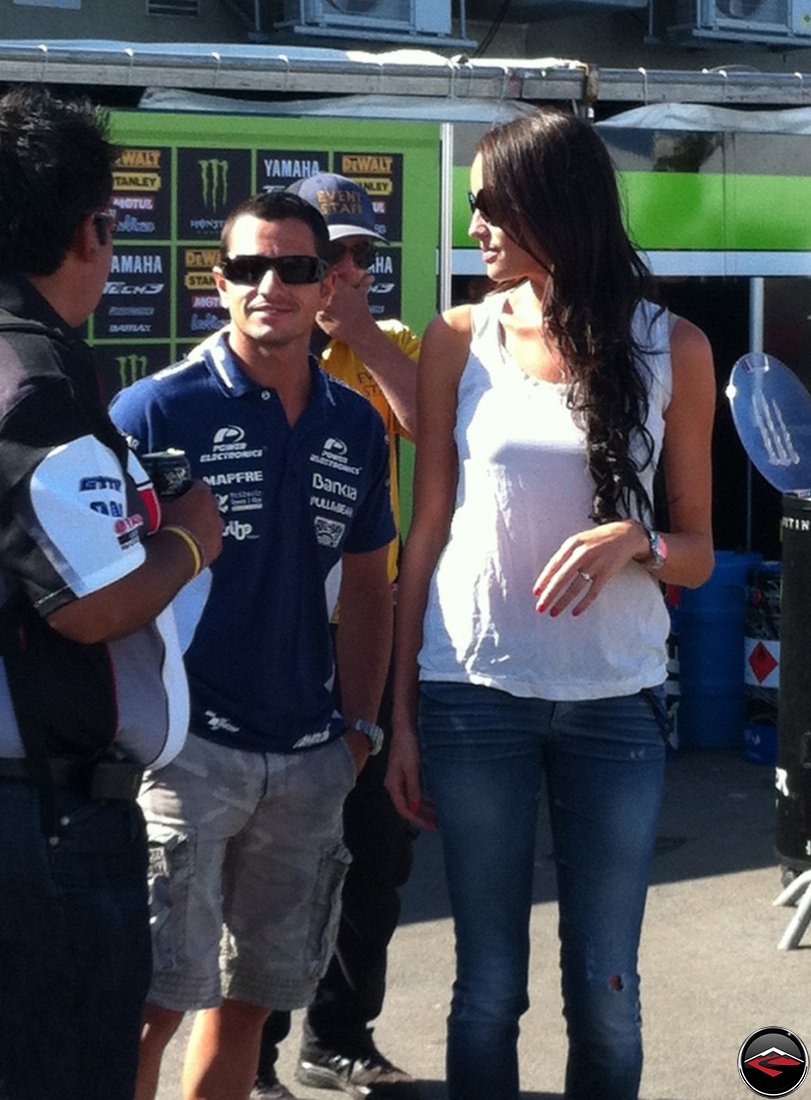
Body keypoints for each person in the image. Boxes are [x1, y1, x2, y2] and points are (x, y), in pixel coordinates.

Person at [385, 108, 715, 1100]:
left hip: (615, 702)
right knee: (487, 985)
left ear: (550, 204)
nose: (474, 225)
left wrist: (638, 541)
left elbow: (698, 553)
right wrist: (399, 714)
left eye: (489, 204)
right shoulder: (457, 338)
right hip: (470, 693)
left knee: (606, 991)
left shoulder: (674, 346)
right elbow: (426, 529)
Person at [109, 189, 395, 1100]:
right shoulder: (154, 410)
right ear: (218, 283)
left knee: (250, 1006)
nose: (270, 284)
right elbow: (96, 585)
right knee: (151, 1005)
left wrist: (356, 731)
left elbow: (368, 581)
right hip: (185, 752)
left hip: (309, 755)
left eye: (295, 268)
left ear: (327, 288)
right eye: (247, 267)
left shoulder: (355, 422)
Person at [0, 85, 222, 1100]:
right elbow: (87, 604)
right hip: (42, 824)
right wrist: (190, 536)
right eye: (112, 225)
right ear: (85, 229)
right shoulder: (33, 377)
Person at [251, 172, 422, 1100]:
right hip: (278, 631)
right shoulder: (255, 342)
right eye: (335, 256)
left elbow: (430, 430)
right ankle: (255, 1054)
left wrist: (358, 336)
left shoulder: (388, 340)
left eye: (363, 257)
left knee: (377, 846)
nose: (352, 271)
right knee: (277, 846)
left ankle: (339, 1038)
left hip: (374, 622)